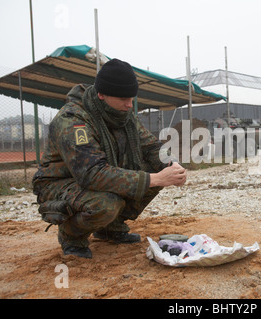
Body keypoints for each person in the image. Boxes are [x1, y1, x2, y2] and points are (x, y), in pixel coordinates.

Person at [32, 58, 187, 258]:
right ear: (101, 94)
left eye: (131, 98)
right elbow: (92, 174)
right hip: (59, 184)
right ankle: (71, 235)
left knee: (156, 169)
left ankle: (110, 227)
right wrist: (156, 179)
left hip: (94, 176)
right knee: (106, 203)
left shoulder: (122, 114)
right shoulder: (73, 120)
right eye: (123, 99)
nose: (129, 105)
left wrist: (172, 164)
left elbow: (151, 146)